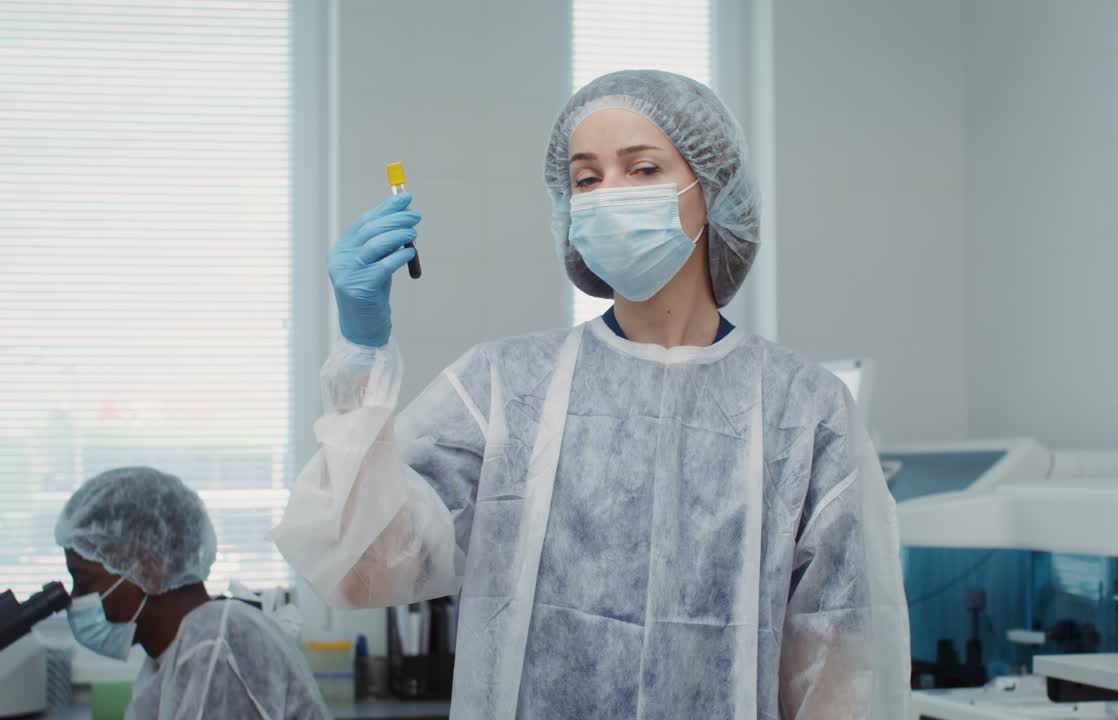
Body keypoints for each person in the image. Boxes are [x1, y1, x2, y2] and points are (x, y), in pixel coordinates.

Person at [274, 69, 909, 719]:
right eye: (586, 179)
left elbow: (841, 668)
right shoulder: (505, 387)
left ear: (714, 191)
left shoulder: (805, 410)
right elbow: (365, 566)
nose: (609, 194)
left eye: (642, 170)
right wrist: (361, 352)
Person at [56, 466, 330, 720]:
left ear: (149, 568)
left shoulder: (215, 648)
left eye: (85, 582)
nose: (75, 599)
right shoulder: (175, 654)